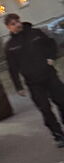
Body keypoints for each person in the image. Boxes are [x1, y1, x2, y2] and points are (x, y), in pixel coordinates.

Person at [4, 13, 64, 147]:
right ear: (9, 27)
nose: (17, 25)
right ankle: (58, 135)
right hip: (33, 83)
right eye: (13, 24)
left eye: (17, 21)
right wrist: (18, 86)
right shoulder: (10, 46)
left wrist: (51, 57)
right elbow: (12, 68)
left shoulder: (36, 33)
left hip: (49, 75)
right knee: (45, 109)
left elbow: (51, 44)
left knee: (62, 101)